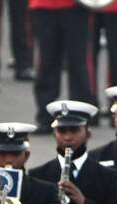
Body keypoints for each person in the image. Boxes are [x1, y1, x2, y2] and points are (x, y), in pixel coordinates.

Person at [28, 99, 117, 204]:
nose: (67, 137)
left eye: (74, 130)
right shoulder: (38, 174)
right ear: (54, 133)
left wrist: (83, 203)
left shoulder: (107, 176)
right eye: (62, 131)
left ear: (87, 134)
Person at [28, 0, 93, 130]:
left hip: (75, 6)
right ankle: (45, 116)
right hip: (43, 5)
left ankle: (79, 116)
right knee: (46, 62)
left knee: (77, 62)